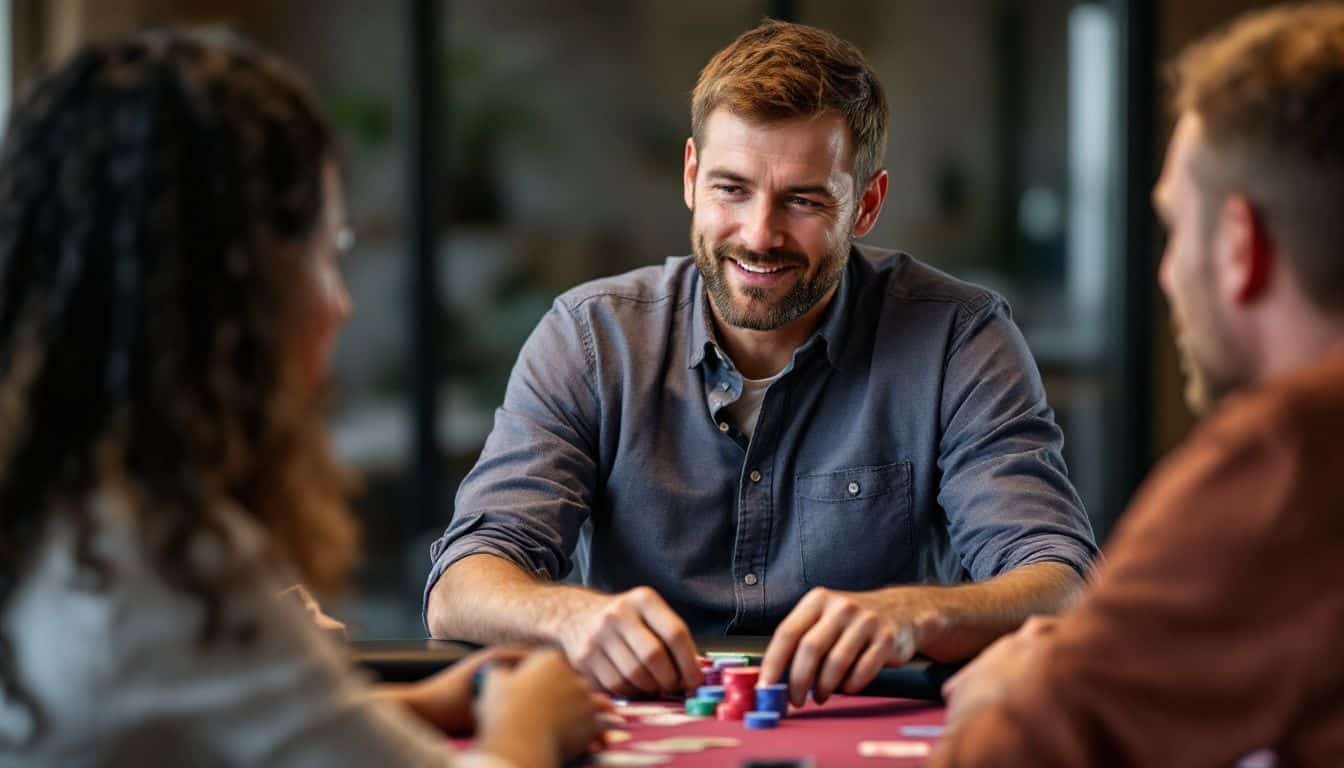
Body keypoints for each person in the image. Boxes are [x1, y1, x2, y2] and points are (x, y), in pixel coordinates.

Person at [424, 19, 1099, 706]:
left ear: (866, 204)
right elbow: (461, 589)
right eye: (731, 189)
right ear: (691, 176)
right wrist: (569, 617)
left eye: (803, 200)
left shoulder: (960, 338)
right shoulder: (590, 337)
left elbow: (1063, 584)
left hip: (865, 727)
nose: (758, 234)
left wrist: (913, 613)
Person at [0, 30, 602, 768]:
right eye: (325, 254)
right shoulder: (166, 567)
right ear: (233, 293)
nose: (340, 304)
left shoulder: (58, 520)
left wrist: (402, 705)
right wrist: (529, 723)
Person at [931, 4, 1344, 765]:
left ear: (1238, 247)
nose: (1162, 273)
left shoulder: (1285, 457)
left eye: (1173, 230)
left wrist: (1034, 686)